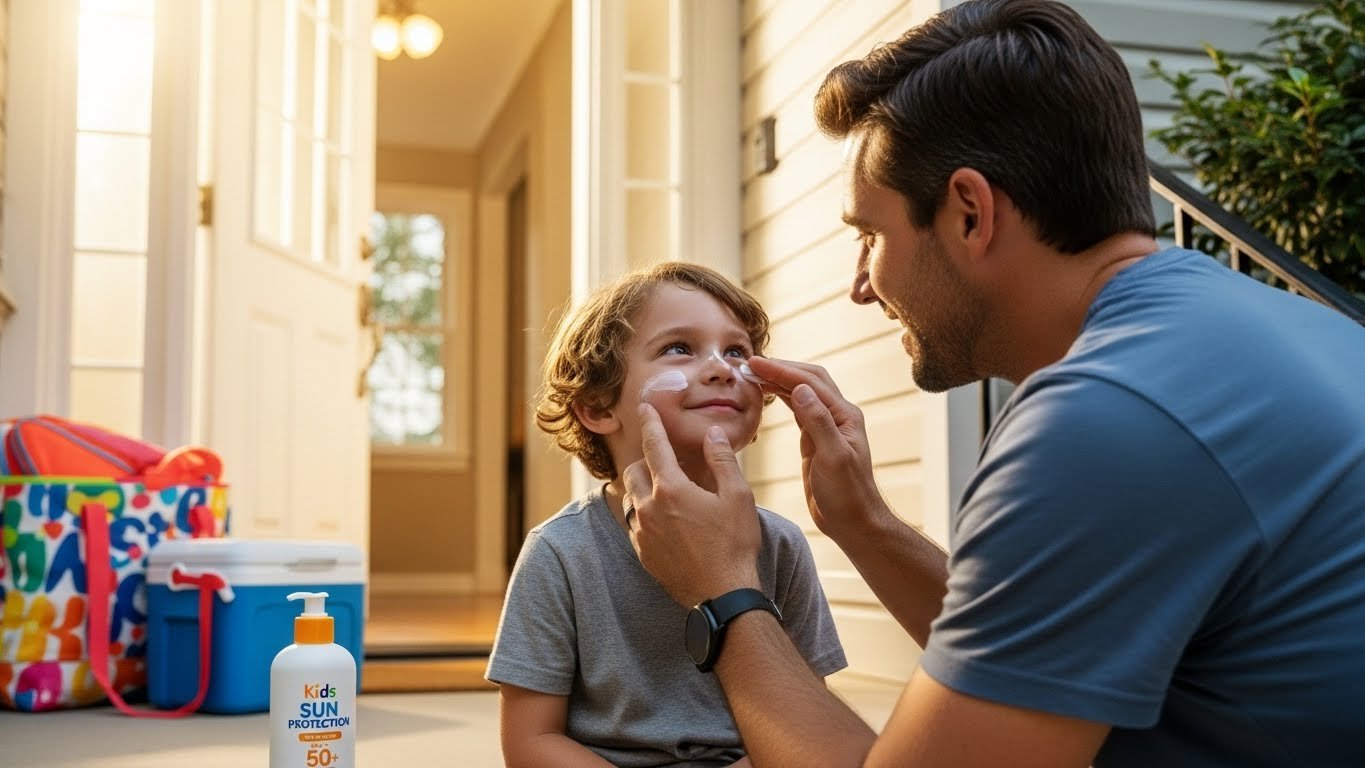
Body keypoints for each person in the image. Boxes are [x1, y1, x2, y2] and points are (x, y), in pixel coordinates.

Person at [619, 1, 1365, 766]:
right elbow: (1040, 651)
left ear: (970, 214)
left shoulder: (1103, 420)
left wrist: (723, 590)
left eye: (869, 236)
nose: (859, 287)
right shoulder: (1295, 332)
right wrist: (863, 523)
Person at [486, 261, 847, 767]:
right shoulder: (559, 553)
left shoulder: (781, 545)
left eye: (738, 351)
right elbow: (531, 742)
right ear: (596, 405)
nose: (722, 367)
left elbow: (807, 720)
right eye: (680, 347)